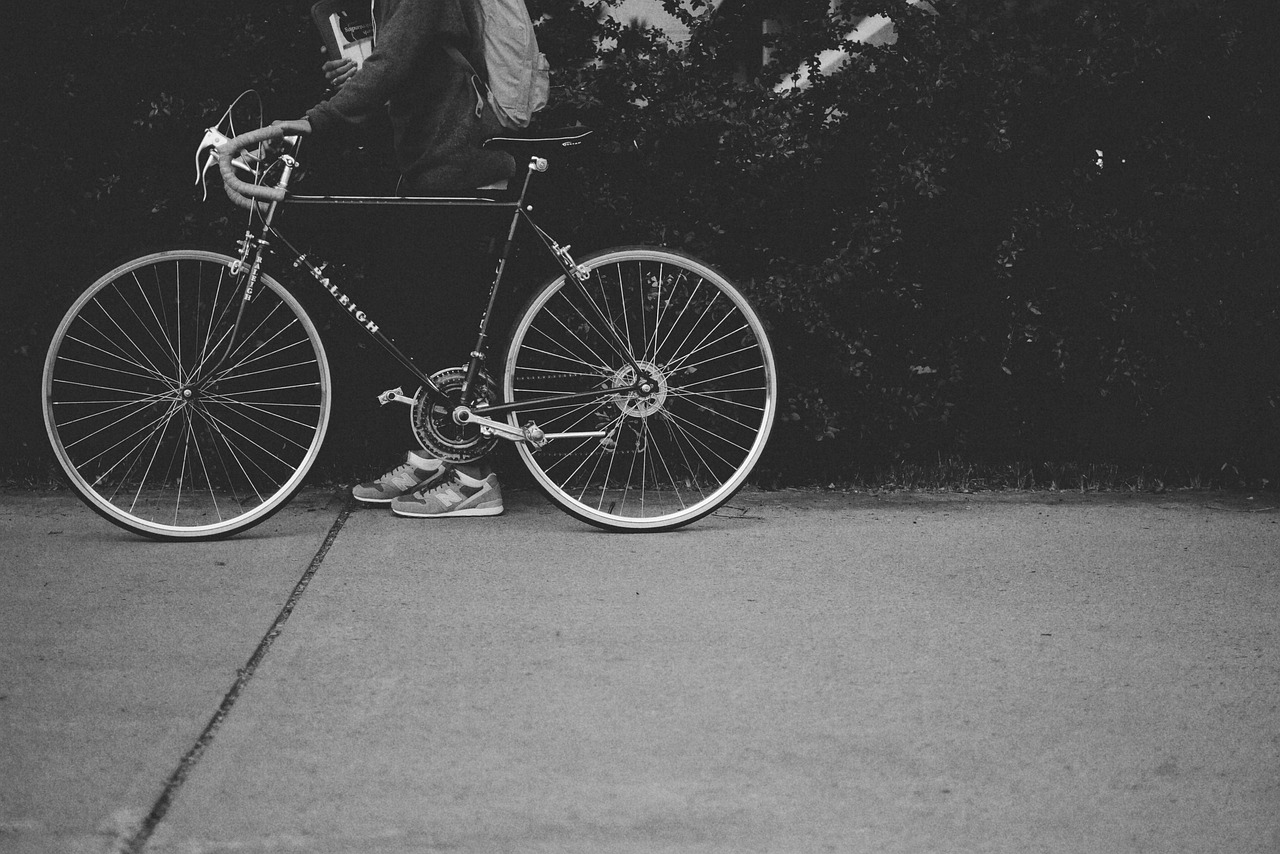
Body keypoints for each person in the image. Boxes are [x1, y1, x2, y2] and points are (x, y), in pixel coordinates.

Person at [273, 0, 516, 518]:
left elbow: (394, 63)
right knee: (423, 318)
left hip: (461, 166)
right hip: (434, 168)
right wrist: (360, 71)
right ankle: (432, 458)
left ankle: (475, 479)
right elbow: (400, 64)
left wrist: (315, 120)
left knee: (449, 322)